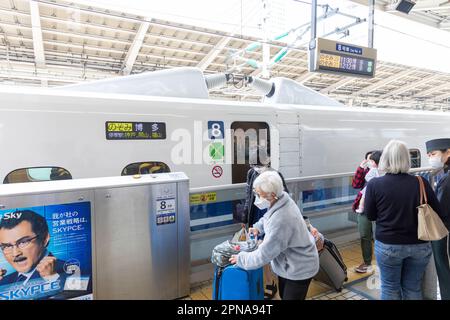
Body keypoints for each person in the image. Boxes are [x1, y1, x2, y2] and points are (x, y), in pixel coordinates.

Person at [365, 140, 446, 300]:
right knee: (412, 287)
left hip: (388, 245)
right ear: (407, 159)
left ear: (385, 159)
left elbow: (371, 216)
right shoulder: (421, 182)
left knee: (389, 288)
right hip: (419, 246)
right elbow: (439, 211)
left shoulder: (375, 184)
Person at [229, 171, 319, 300]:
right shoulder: (282, 198)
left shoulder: (281, 220)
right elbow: (268, 216)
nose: (257, 198)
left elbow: (264, 254)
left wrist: (241, 259)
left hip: (300, 268)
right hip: (290, 264)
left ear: (271, 195)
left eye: (259, 195)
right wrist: (258, 228)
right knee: (283, 295)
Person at [0, 210, 68, 298]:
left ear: (44, 239)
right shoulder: (4, 282)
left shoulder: (74, 270)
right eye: (7, 246)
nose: (15, 253)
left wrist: (52, 279)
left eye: (23, 242)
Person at [425, 138, 450, 300]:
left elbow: (440, 208)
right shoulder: (445, 174)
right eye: (428, 155)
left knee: (443, 266)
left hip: (444, 232)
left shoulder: (446, 179)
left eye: (433, 154)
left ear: (448, 152)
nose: (430, 158)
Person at [352, 150, 382, 274]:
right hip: (364, 209)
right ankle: (367, 262)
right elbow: (355, 184)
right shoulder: (365, 172)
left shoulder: (382, 172)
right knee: (365, 235)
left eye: (372, 160)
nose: (370, 162)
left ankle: (382, 261)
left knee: (379, 236)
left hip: (380, 209)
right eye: (368, 159)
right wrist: (360, 167)